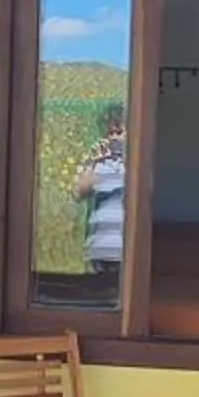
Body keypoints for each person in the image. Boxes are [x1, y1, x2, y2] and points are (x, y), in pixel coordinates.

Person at [75, 105, 126, 284]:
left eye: (118, 132)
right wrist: (93, 162)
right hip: (99, 247)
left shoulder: (134, 161)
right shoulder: (96, 162)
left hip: (124, 249)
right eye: (109, 133)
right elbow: (79, 192)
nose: (113, 138)